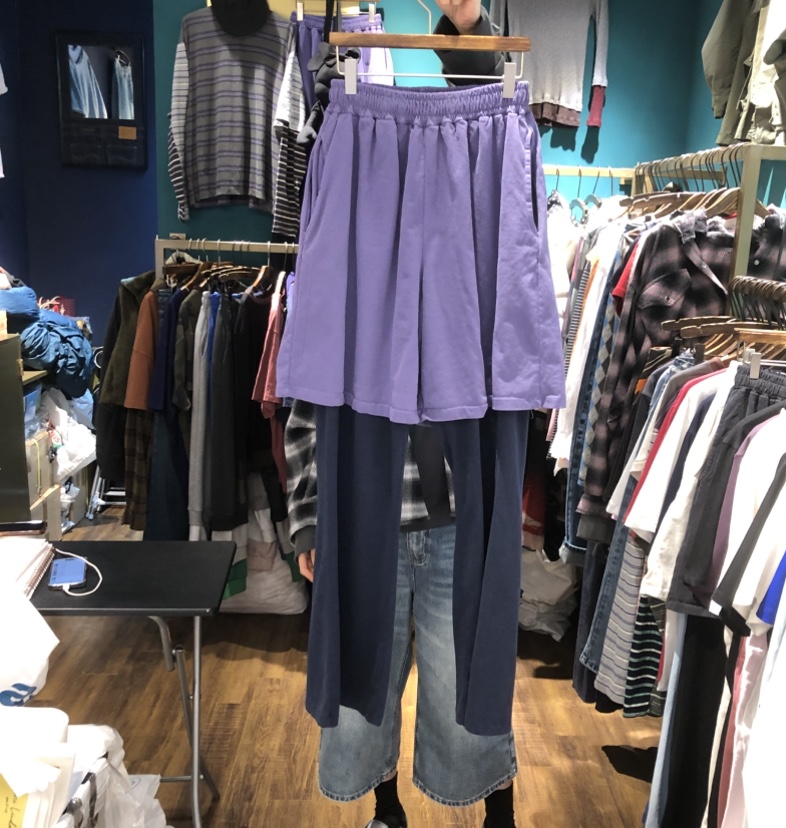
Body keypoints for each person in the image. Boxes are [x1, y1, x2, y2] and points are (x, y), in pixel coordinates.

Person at [287, 3, 520, 827]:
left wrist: (471, 25)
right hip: (370, 511)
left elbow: (511, 382)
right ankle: (384, 802)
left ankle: (495, 800)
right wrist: (310, 515)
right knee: (368, 682)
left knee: (464, 681)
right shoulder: (350, 216)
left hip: (456, 518)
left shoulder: (488, 217)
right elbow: (312, 388)